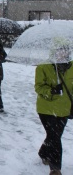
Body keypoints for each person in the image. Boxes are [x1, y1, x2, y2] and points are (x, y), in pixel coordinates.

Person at [35, 42, 73, 175]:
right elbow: (38, 87)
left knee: (54, 136)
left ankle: (43, 152)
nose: (62, 52)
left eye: (65, 50)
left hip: (64, 108)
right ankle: (55, 168)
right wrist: (52, 90)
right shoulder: (43, 66)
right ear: (54, 51)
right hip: (46, 109)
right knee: (55, 136)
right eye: (59, 50)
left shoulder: (72, 66)